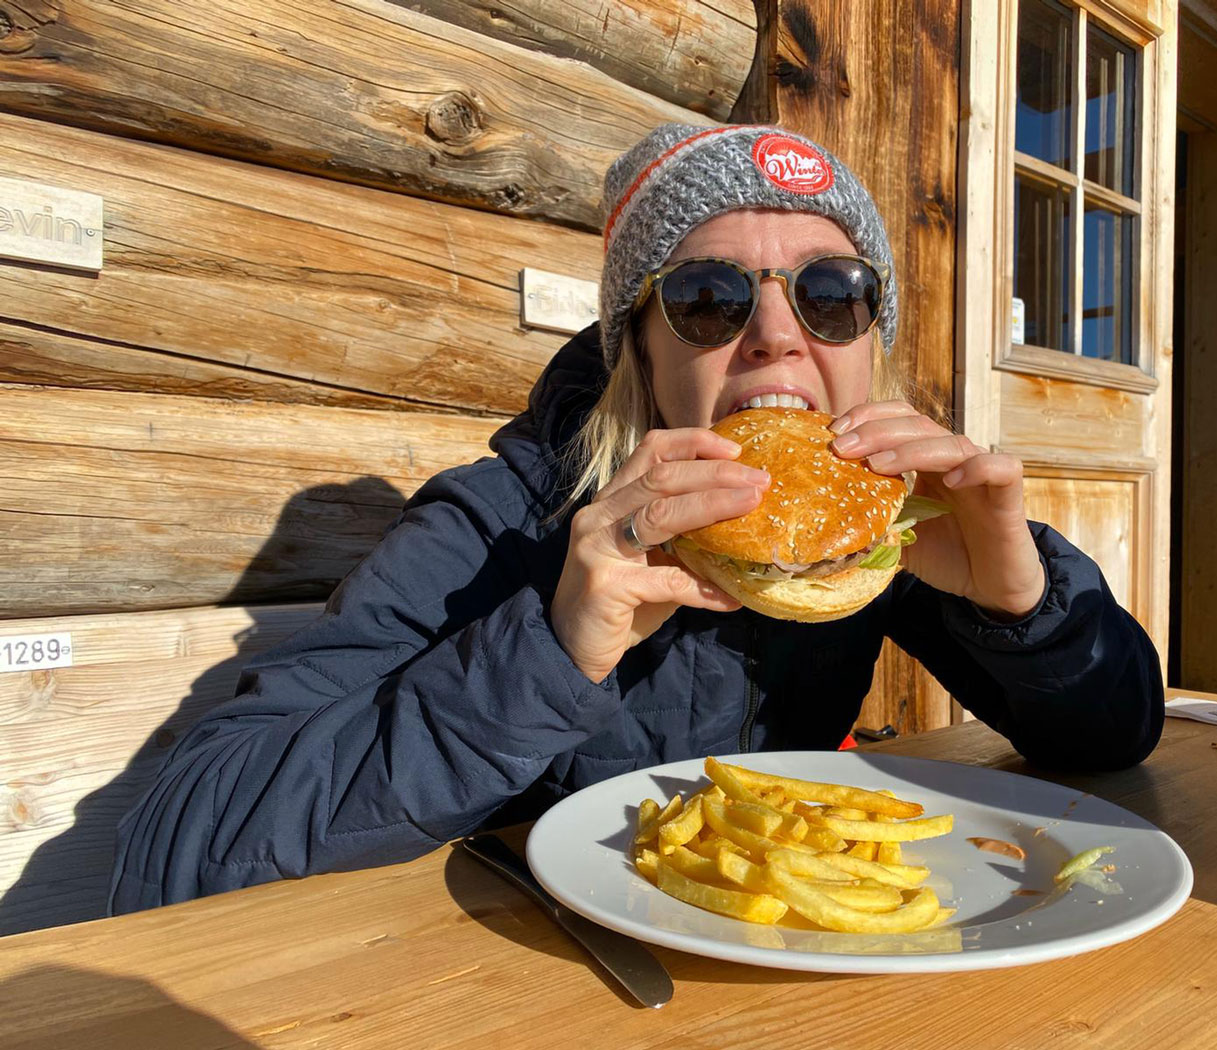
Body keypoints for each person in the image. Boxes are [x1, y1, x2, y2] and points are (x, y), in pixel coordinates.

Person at [107, 124, 1163, 914]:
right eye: (708, 298)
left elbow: (1113, 741)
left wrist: (1023, 603)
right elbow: (182, 842)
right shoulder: (500, 522)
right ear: (639, 351)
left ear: (863, 340)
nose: (775, 337)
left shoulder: (867, 529)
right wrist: (552, 648)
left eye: (830, 292)